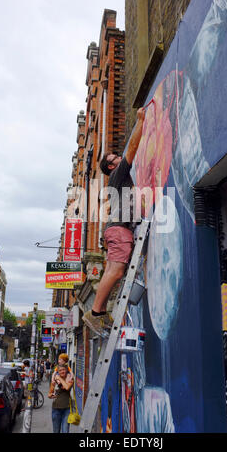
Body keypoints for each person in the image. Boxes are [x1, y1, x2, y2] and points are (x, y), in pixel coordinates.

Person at [82, 107, 146, 336]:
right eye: (114, 158)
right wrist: (140, 120)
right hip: (119, 231)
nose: (119, 157)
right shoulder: (118, 173)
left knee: (112, 270)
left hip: (115, 230)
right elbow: (133, 148)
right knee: (117, 271)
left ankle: (98, 312)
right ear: (111, 165)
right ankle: (96, 313)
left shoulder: (120, 181)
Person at [48, 365, 74, 433]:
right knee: (56, 431)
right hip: (56, 409)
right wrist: (51, 395)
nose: (62, 371)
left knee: (65, 431)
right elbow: (49, 393)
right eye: (60, 370)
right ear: (58, 371)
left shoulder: (70, 379)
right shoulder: (54, 381)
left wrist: (59, 377)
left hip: (67, 409)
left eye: (63, 370)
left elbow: (67, 387)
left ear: (66, 370)